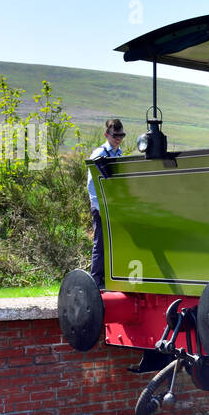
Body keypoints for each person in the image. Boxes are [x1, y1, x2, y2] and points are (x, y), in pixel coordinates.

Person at [87, 118, 125, 288]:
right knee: (100, 243)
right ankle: (95, 280)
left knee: (114, 243)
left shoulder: (119, 154)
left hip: (114, 206)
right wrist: (98, 205)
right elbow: (91, 183)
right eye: (115, 135)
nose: (119, 139)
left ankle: (109, 279)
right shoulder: (99, 154)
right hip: (101, 206)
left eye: (121, 135)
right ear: (106, 135)